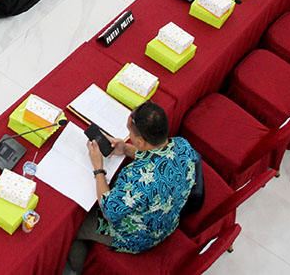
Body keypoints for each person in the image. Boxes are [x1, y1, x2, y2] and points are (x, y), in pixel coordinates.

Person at [66, 102, 198, 270]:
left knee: (75, 226)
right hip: (168, 220)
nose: (130, 136)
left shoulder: (136, 177)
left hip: (139, 236)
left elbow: (109, 211)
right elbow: (157, 157)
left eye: (131, 134)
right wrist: (126, 148)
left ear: (141, 141)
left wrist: (98, 167)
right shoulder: (182, 145)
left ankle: (78, 268)